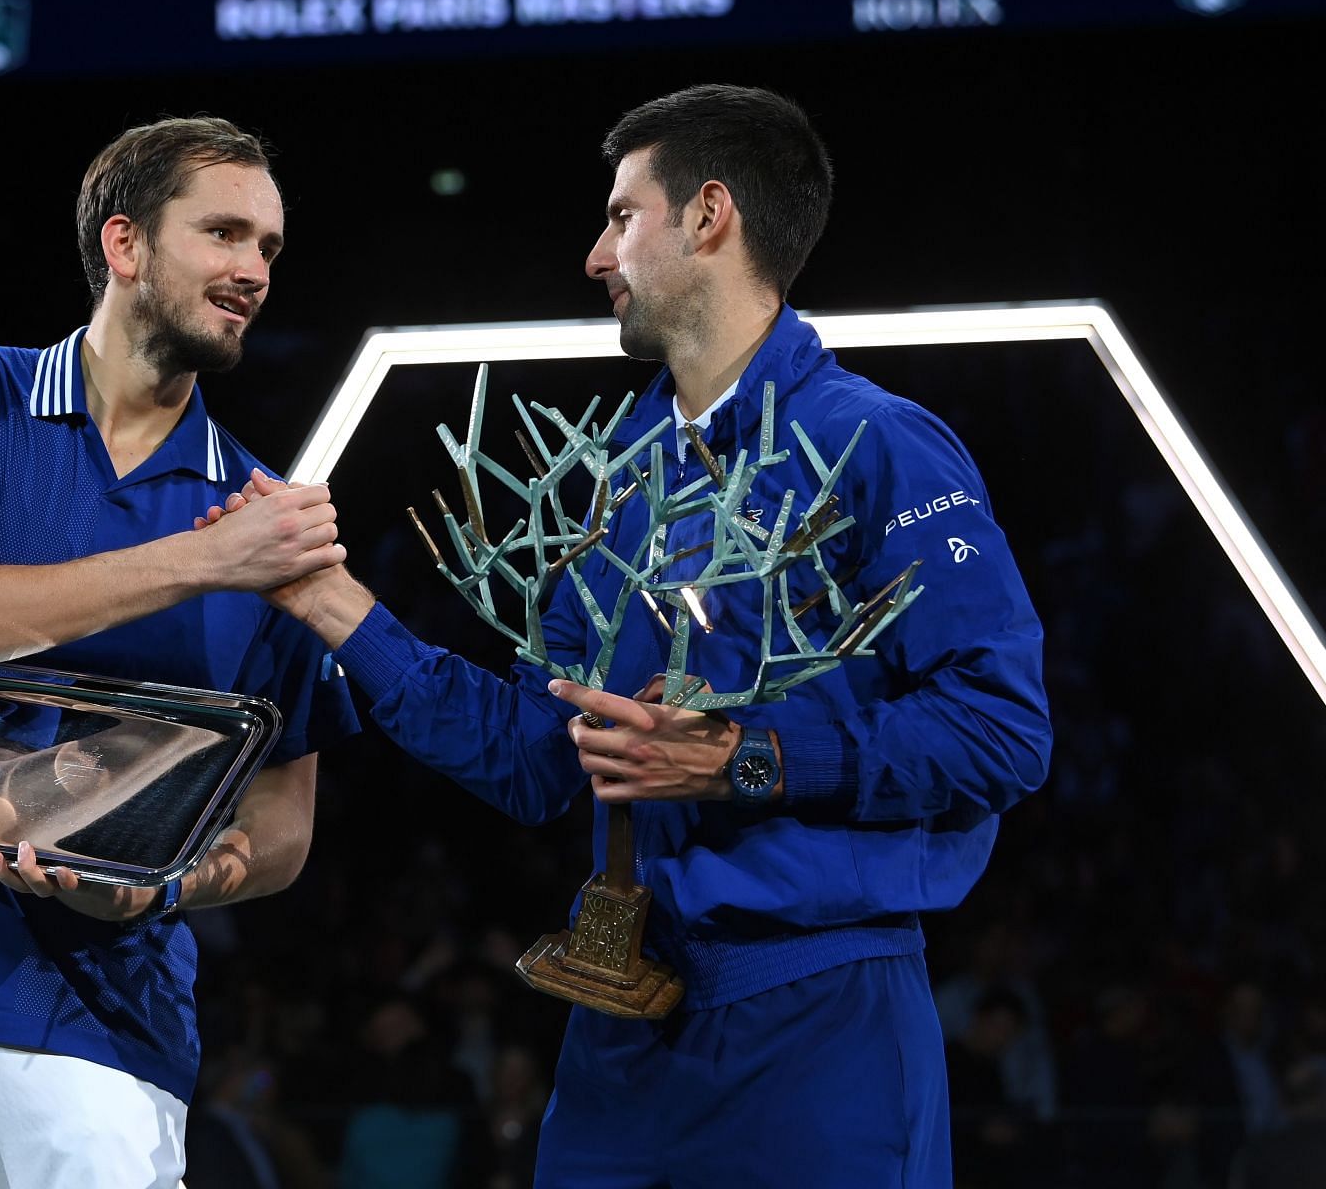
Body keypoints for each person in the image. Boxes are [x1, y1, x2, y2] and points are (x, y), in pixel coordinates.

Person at [207, 84, 1051, 1186]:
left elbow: (1000, 730)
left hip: (817, 1019)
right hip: (621, 1025)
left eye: (620, 216)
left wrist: (744, 756)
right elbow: (533, 758)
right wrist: (334, 605)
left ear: (709, 216)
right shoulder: (613, 484)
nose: (596, 257)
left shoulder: (879, 446)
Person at [0, 116, 358, 1187]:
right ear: (124, 244)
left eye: (269, 246)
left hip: (111, 1023)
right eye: (224, 233)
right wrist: (197, 561)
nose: (253, 270)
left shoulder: (266, 518)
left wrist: (166, 888)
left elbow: (282, 820)